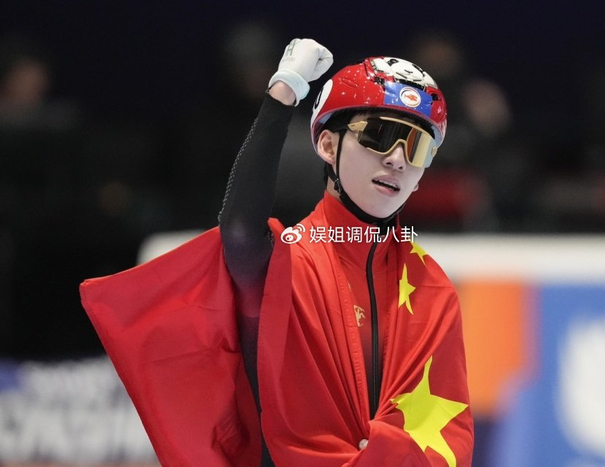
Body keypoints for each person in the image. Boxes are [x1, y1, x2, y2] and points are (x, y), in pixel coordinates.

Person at [80, 38, 474, 466]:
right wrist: (282, 93)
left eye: (416, 146)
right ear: (327, 146)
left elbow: (442, 436)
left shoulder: (434, 290)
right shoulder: (285, 265)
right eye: (379, 135)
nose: (397, 160)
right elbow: (239, 232)